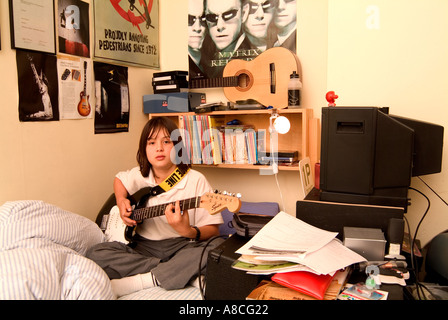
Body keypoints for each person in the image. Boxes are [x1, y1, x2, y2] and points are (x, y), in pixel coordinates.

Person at [86, 117, 224, 297]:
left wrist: (188, 231)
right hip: (144, 248)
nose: (159, 148)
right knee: (94, 253)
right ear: (144, 149)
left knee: (218, 247)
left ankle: (146, 279)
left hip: (183, 246)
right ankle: (182, 273)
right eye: (151, 143)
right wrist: (121, 201)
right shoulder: (140, 175)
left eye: (166, 141)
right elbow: (119, 179)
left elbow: (213, 230)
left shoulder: (195, 179)